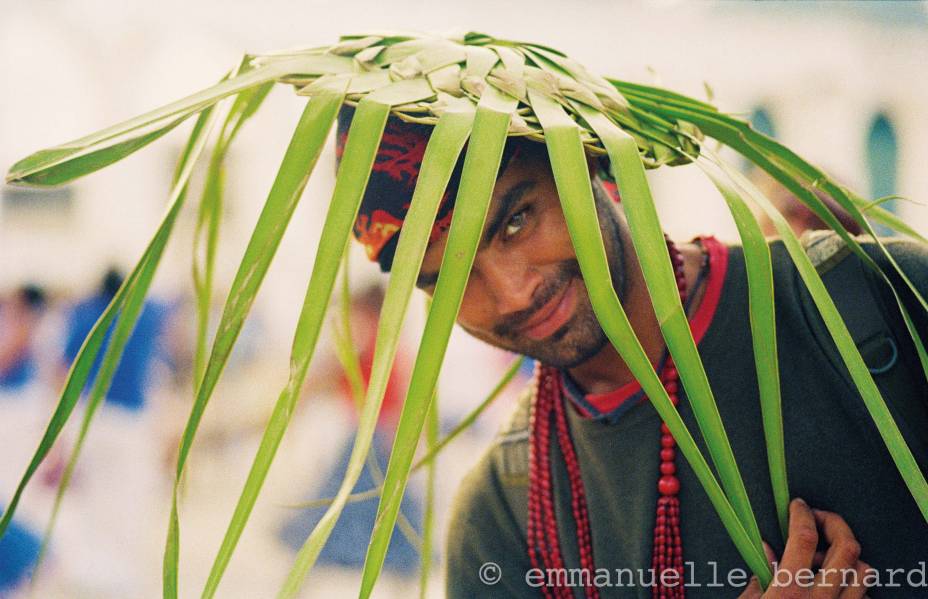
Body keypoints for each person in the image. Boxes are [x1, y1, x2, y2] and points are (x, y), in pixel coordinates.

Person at [336, 107, 928, 598]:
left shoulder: (883, 304)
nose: (513, 292)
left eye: (517, 220)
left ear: (589, 159)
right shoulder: (503, 523)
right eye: (452, 276)